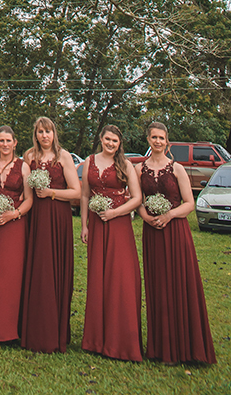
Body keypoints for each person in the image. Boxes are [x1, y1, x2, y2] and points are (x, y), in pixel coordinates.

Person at [137, 121, 215, 365]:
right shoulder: (140, 170)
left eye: (161, 138)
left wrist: (169, 215)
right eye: (154, 137)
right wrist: (147, 217)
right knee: (157, 285)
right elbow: (137, 200)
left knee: (180, 283)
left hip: (176, 232)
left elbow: (190, 203)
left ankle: (186, 346)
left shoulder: (178, 169)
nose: (158, 141)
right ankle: (160, 347)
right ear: (148, 140)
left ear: (167, 141)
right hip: (152, 233)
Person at [80, 123, 143, 362]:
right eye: (107, 139)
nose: (110, 144)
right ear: (101, 139)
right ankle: (96, 339)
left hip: (118, 226)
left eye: (115, 141)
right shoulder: (90, 161)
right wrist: (85, 224)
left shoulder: (126, 165)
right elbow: (85, 194)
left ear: (119, 144)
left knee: (121, 277)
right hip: (97, 225)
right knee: (98, 277)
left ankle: (121, 339)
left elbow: (136, 198)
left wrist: (116, 213)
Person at [18, 115, 81, 354]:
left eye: (48, 132)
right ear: (35, 135)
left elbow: (76, 192)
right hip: (34, 216)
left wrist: (51, 193)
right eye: (40, 132)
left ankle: (55, 331)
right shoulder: (29, 156)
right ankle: (33, 328)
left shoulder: (63, 156)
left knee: (53, 267)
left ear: (54, 134)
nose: (45, 136)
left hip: (57, 217)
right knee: (36, 267)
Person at [0, 125, 32, 343]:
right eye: (1, 141)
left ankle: (11, 330)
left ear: (15, 143)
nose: (4, 144)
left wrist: (14, 214)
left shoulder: (24, 167)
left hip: (15, 225)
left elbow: (30, 199)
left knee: (12, 275)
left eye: (8, 141)